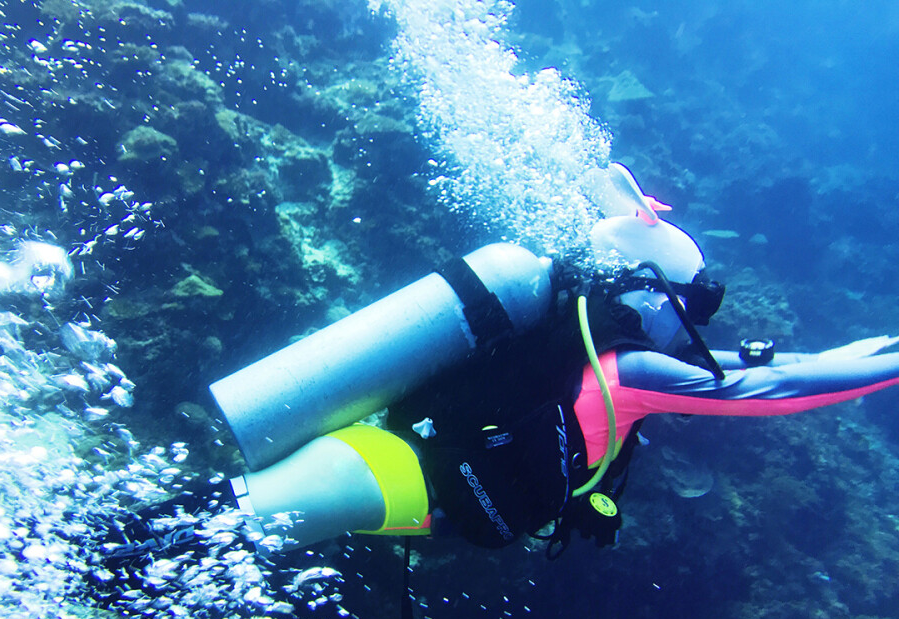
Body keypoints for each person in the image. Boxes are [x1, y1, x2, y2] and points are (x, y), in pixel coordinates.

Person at [99, 164, 899, 568]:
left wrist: (873, 349)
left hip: (390, 446)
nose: (690, 326)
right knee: (216, 537)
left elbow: (785, 364)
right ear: (656, 293)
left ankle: (76, 552)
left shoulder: (580, 331)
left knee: (214, 530)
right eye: (692, 305)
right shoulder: (632, 370)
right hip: (403, 474)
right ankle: (71, 560)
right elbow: (774, 390)